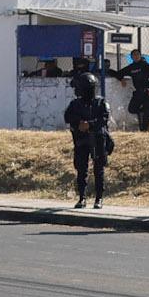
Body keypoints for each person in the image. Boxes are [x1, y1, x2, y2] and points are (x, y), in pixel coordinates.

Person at [65, 74, 114, 207]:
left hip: (97, 139)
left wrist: (90, 124)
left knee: (99, 169)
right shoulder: (75, 104)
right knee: (81, 169)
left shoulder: (101, 102)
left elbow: (103, 119)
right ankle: (82, 197)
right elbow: (68, 117)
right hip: (81, 140)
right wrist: (78, 123)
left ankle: (99, 198)